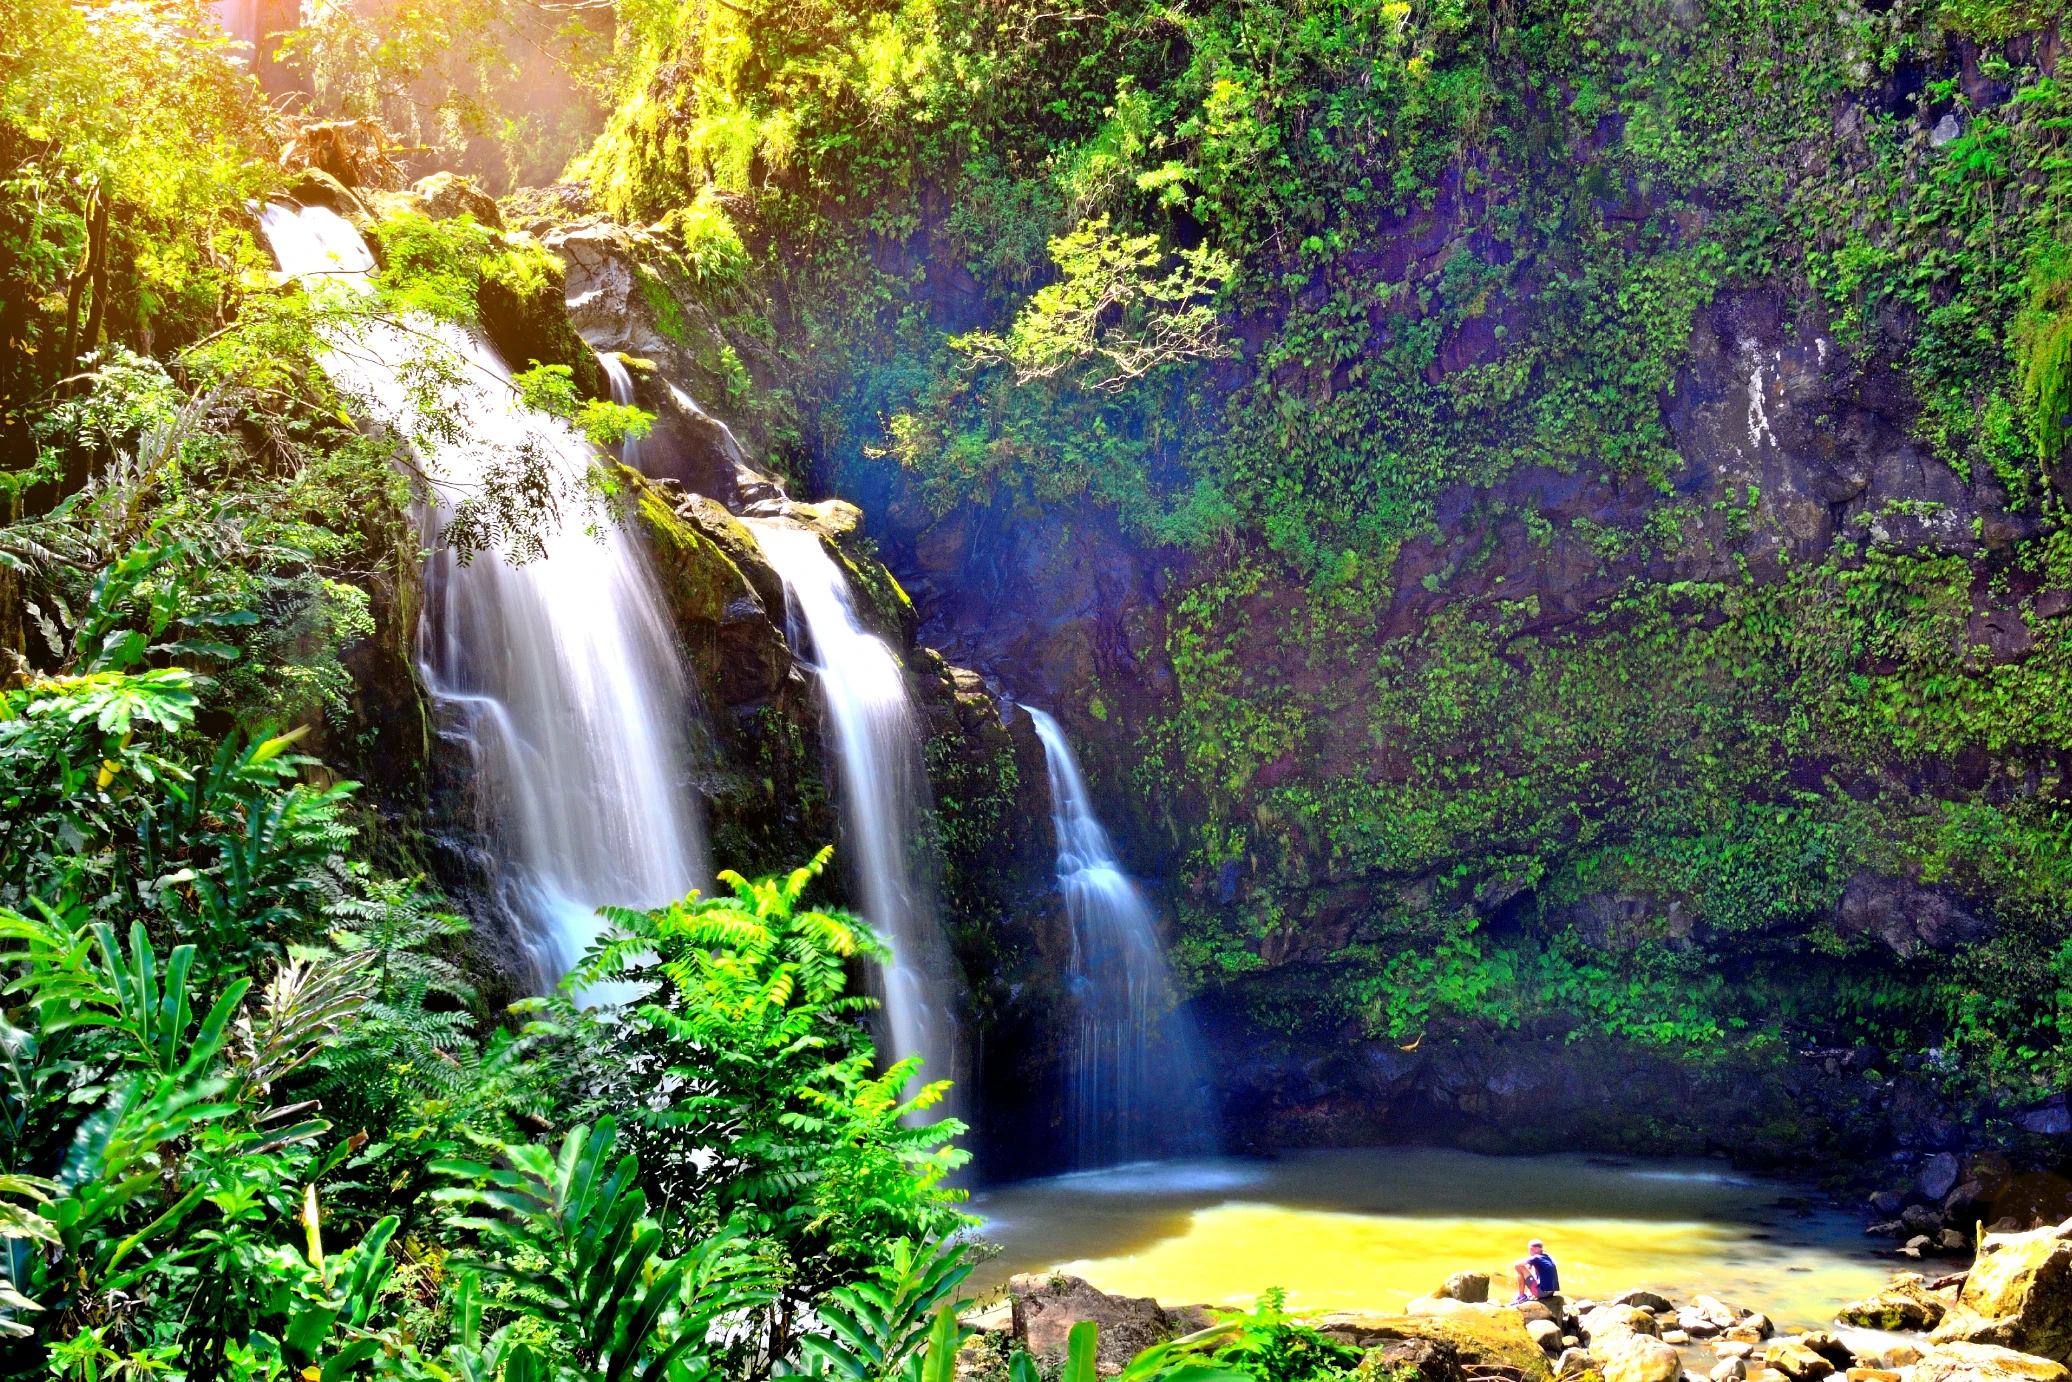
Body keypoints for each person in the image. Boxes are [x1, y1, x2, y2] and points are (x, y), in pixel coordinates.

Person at [1512, 1238, 1559, 1303]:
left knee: (1519, 1267)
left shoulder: (1536, 1257)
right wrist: (1530, 1264)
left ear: (1537, 1249)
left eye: (1531, 1249)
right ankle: (1530, 1292)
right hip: (1550, 1293)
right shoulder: (1547, 1257)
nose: (1529, 1251)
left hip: (1541, 1293)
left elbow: (1516, 1264)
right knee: (1531, 1266)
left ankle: (1521, 1296)